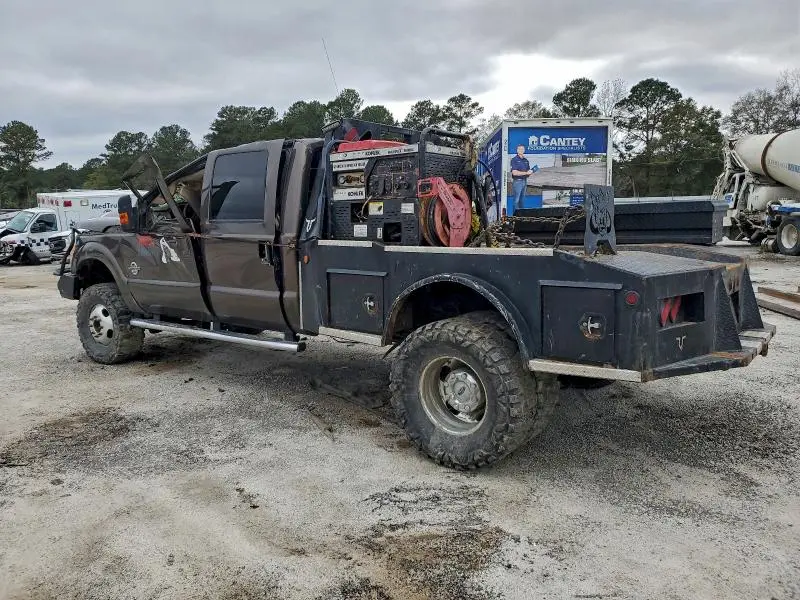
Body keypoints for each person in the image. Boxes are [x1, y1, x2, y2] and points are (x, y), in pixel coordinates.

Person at [510, 145, 535, 210]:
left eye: (522, 149)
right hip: (517, 182)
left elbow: (528, 172)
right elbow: (514, 173)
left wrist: (531, 172)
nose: (521, 150)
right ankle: (515, 215)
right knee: (516, 200)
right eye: (520, 149)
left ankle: (521, 215)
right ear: (517, 150)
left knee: (522, 200)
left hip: (524, 181)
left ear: (524, 150)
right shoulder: (514, 160)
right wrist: (526, 173)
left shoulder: (526, 160)